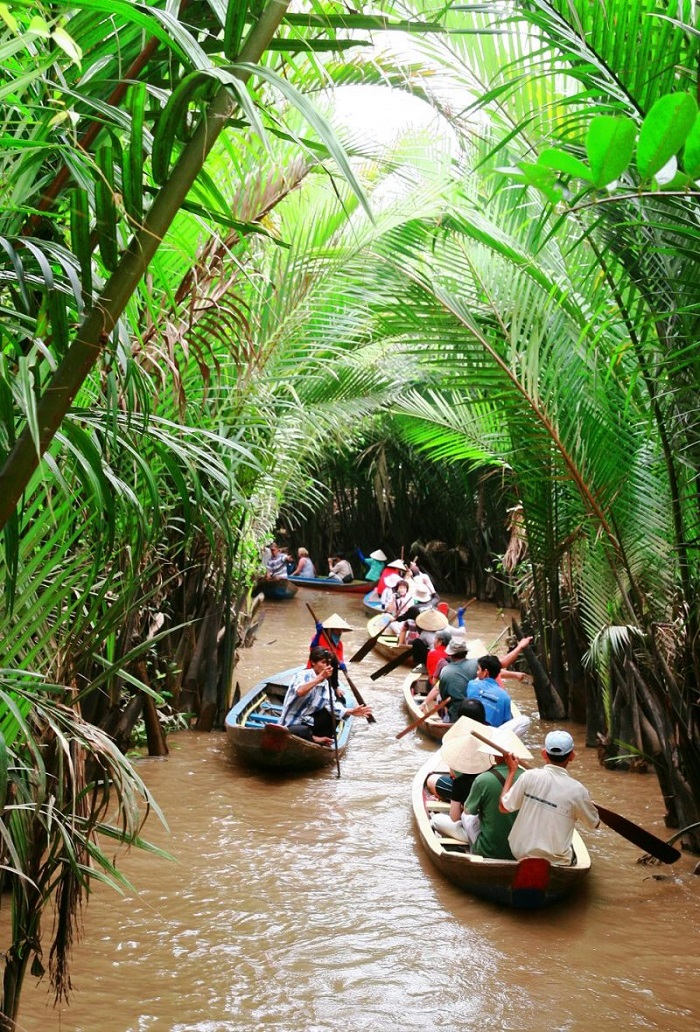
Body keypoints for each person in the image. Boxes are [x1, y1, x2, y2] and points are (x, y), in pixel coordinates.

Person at [499, 729, 600, 865]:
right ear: (572, 756)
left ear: (544, 754)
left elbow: (503, 807)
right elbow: (594, 823)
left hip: (520, 853)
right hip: (557, 860)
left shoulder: (529, 776)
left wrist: (512, 771)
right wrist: (587, 803)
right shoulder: (578, 791)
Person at [430, 724, 533, 855]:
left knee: (446, 818)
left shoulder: (483, 779)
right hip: (521, 850)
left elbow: (463, 814)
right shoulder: (530, 778)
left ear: (493, 754)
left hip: (488, 849)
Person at [279, 646, 372, 745]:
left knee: (335, 714)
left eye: (329, 664)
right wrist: (320, 677)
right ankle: (315, 739)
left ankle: (322, 740)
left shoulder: (326, 685)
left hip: (307, 721)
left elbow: (332, 706)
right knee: (303, 730)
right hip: (290, 724)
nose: (327, 667)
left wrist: (352, 711)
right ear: (313, 662)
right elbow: (300, 691)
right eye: (323, 662)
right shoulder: (302, 675)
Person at [466, 654, 530, 737]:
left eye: (478, 669)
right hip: (492, 734)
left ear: (485, 672)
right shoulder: (505, 696)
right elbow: (506, 721)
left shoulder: (472, 684)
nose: (477, 672)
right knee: (525, 720)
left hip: (473, 729)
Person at [308, 612, 354, 695]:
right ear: (330, 630)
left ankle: (335, 687)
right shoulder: (319, 637)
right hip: (315, 671)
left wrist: (342, 664)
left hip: (329, 673)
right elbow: (313, 649)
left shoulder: (339, 644)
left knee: (334, 662)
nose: (339, 632)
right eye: (337, 629)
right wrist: (318, 634)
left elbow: (339, 659)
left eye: (341, 630)